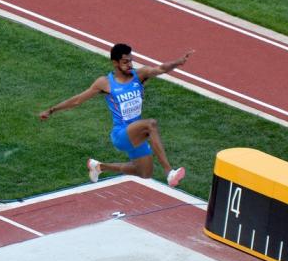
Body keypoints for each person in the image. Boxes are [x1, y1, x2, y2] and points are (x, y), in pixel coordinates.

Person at [40, 43, 194, 187]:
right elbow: (77, 100)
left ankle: (99, 167)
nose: (130, 65)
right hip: (120, 134)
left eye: (131, 61)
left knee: (145, 173)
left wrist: (177, 62)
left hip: (137, 134)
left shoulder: (140, 75)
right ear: (115, 62)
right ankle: (169, 172)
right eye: (126, 62)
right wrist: (52, 110)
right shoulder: (105, 83)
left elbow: (161, 69)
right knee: (151, 124)